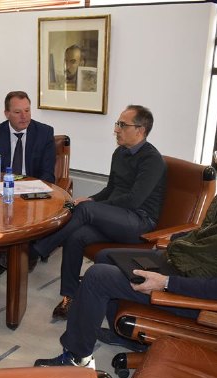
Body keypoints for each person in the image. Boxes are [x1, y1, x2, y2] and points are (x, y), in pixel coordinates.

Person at [34, 120, 217, 367]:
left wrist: (165, 283)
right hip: (186, 266)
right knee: (106, 257)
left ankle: (75, 357)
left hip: (197, 298)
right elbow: (209, 237)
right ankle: (129, 336)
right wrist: (171, 243)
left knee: (98, 276)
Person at [32, 105, 166, 320]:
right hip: (117, 217)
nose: (116, 129)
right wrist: (92, 200)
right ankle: (70, 297)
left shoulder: (152, 160)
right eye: (117, 124)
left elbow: (134, 200)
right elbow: (111, 189)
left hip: (139, 222)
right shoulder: (120, 153)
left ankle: (37, 250)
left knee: (85, 210)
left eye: (122, 125)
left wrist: (94, 207)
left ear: (140, 130)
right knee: (77, 236)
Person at [0, 91, 55, 183]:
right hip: (3, 185)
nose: (24, 116)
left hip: (32, 186)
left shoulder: (44, 133)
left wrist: (34, 188)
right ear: (7, 114)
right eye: (17, 112)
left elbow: (48, 174)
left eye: (27, 110)